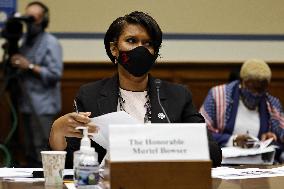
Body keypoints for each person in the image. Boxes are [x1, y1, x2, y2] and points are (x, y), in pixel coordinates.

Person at [49, 11, 222, 168]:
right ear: (114, 49)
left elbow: (213, 153)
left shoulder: (178, 95)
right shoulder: (90, 95)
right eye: (131, 41)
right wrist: (57, 131)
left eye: (148, 43)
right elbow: (73, 162)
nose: (140, 49)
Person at [10, 1, 63, 167]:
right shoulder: (26, 42)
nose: (30, 23)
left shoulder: (51, 42)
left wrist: (30, 66)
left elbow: (55, 74)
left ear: (43, 20)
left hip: (43, 106)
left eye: (34, 18)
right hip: (25, 103)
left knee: (43, 148)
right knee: (29, 149)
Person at [200, 59, 284, 160]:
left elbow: (280, 140)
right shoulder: (218, 96)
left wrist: (271, 139)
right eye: (251, 87)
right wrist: (233, 140)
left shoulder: (271, 104)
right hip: (224, 162)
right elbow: (201, 131)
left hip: (259, 165)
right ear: (241, 81)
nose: (256, 93)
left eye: (261, 89)